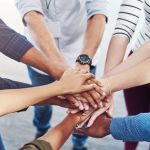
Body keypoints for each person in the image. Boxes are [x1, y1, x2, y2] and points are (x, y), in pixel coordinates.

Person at [15, 0, 108, 149]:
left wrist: (83, 61)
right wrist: (64, 70)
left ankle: (79, 145)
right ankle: (41, 132)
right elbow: (31, 14)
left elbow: (98, 13)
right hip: (41, 58)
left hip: (83, 56)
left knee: (84, 106)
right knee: (41, 103)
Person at [103, 0, 150, 149]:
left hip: (141, 60)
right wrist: (105, 85)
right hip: (138, 55)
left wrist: (106, 84)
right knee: (132, 118)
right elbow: (124, 27)